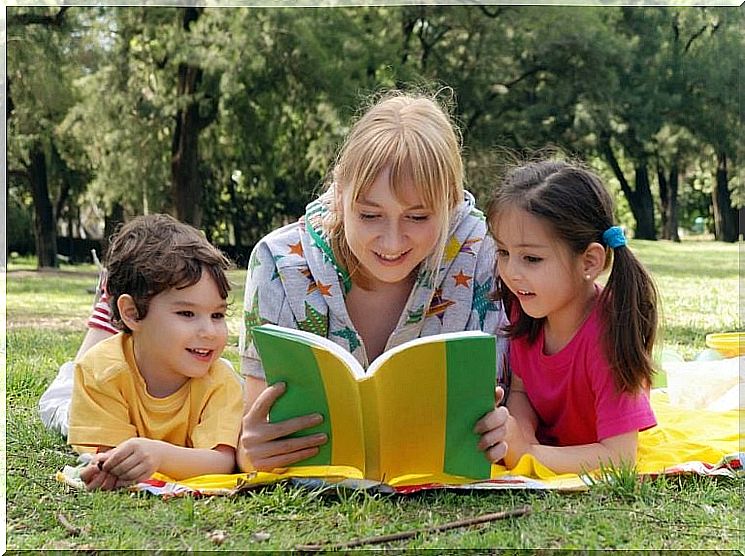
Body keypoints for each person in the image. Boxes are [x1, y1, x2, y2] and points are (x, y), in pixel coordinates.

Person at [238, 91, 511, 473]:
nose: (392, 242)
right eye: (369, 215)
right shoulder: (278, 263)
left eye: (418, 218)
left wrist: (504, 430)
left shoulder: (484, 254)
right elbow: (250, 441)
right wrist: (254, 450)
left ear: (450, 203)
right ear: (340, 194)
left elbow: (507, 412)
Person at [486, 160, 658, 474]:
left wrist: (527, 456)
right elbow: (522, 389)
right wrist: (517, 432)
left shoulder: (609, 339)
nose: (511, 272)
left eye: (532, 258)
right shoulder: (526, 306)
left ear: (589, 262)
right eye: (503, 252)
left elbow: (620, 458)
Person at [63, 214, 243, 490]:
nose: (209, 331)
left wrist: (158, 455)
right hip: (77, 393)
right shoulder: (98, 371)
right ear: (132, 314)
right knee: (58, 406)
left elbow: (222, 462)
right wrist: (109, 466)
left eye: (218, 315)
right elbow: (110, 456)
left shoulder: (220, 382)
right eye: (187, 313)